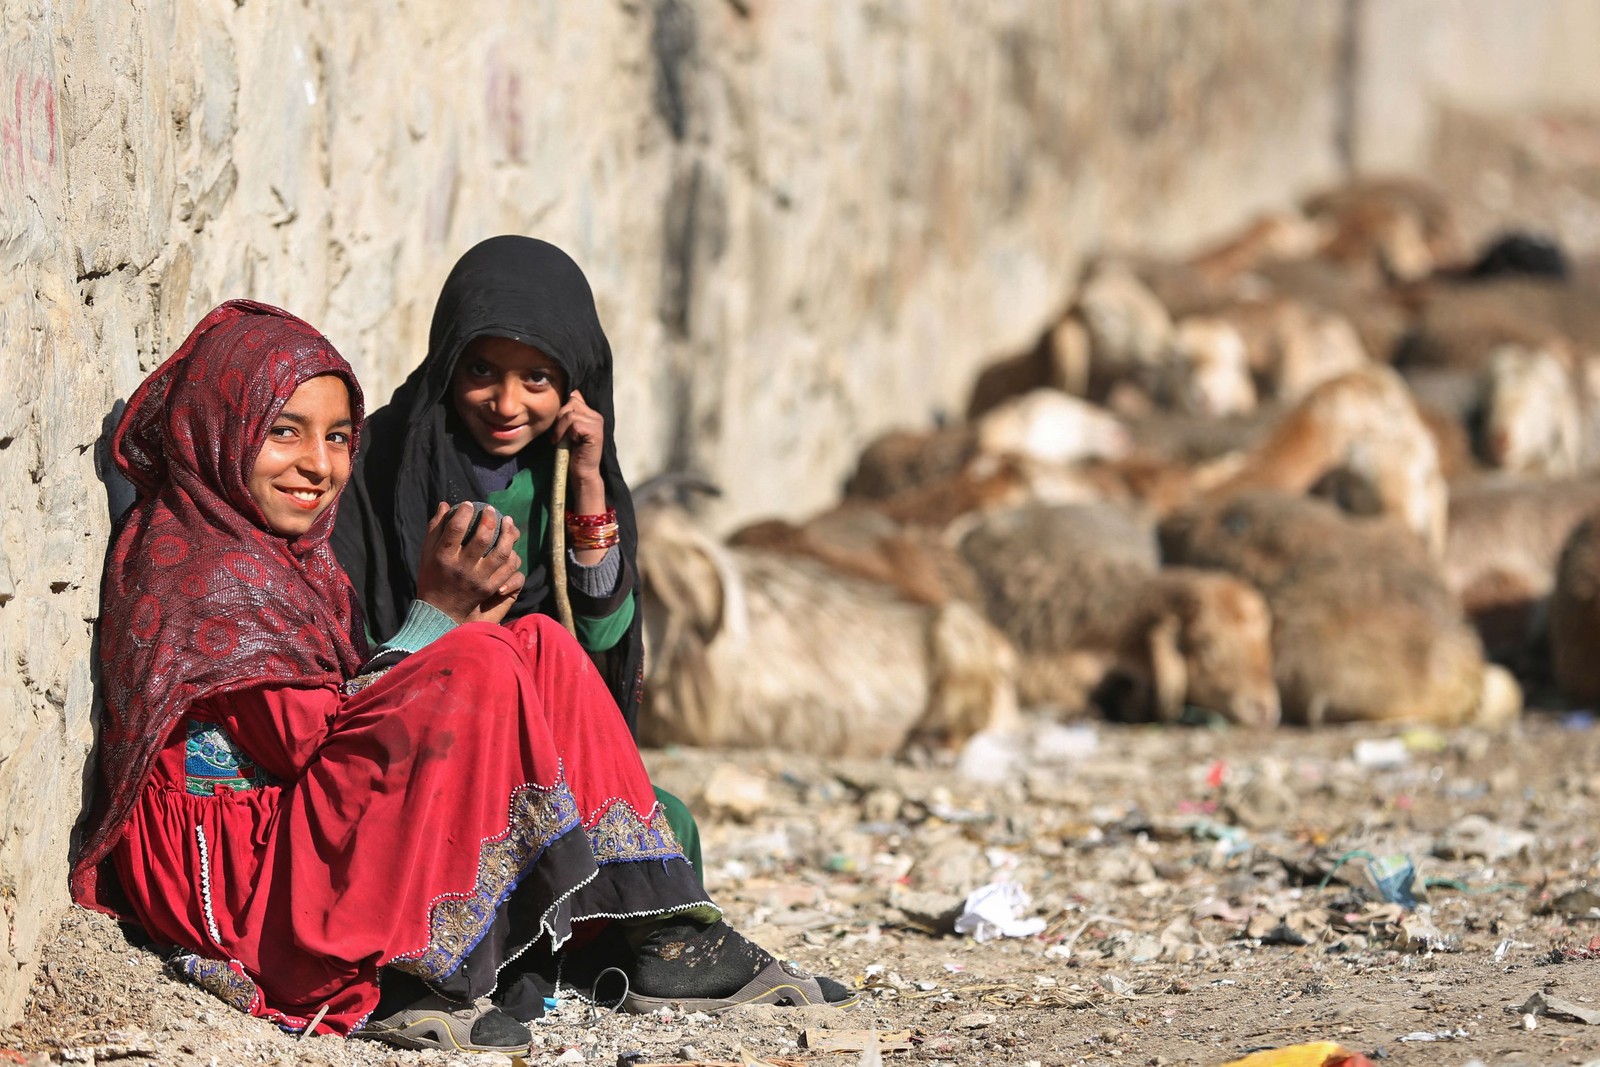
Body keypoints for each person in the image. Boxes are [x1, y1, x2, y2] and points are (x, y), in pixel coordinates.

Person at [72, 300, 851, 1055]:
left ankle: (653, 936)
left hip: (321, 815)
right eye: (283, 432)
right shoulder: (215, 569)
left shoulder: (284, 554)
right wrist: (440, 622)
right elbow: (309, 745)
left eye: (339, 436)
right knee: (486, 655)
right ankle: (398, 962)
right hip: (250, 879)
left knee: (537, 641)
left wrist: (550, 528)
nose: (318, 464)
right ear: (221, 425)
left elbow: (592, 636)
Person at [331, 235, 703, 871]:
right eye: (481, 371)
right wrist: (443, 615)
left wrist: (587, 482)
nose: (506, 405)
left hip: (544, 738)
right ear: (449, 361)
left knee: (668, 822)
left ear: (574, 384)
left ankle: (645, 964)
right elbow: (350, 643)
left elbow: (602, 631)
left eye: (537, 377)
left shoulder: (571, 474)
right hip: (424, 746)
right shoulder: (385, 467)